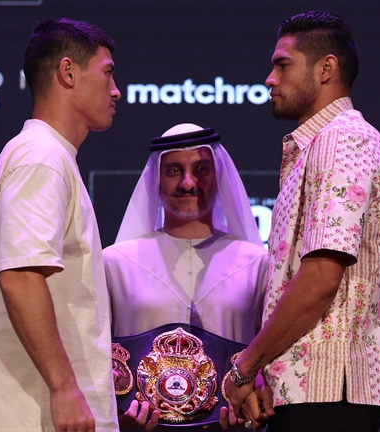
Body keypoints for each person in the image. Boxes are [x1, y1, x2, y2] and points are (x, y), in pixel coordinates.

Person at [222, 10, 380, 432]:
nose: (270, 78)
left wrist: (244, 367)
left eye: (282, 64)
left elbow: (321, 277)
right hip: (316, 390)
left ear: (326, 68)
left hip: (330, 394)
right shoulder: (323, 144)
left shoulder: (341, 140)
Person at [0, 18, 121, 432]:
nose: (116, 90)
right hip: (37, 414)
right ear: (68, 72)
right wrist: (63, 389)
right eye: (107, 73)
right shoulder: (41, 158)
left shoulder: (47, 156)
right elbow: (20, 277)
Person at [104, 123, 269, 431]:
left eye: (201, 169)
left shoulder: (257, 263)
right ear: (156, 180)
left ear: (218, 177)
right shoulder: (116, 262)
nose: (189, 182)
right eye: (174, 171)